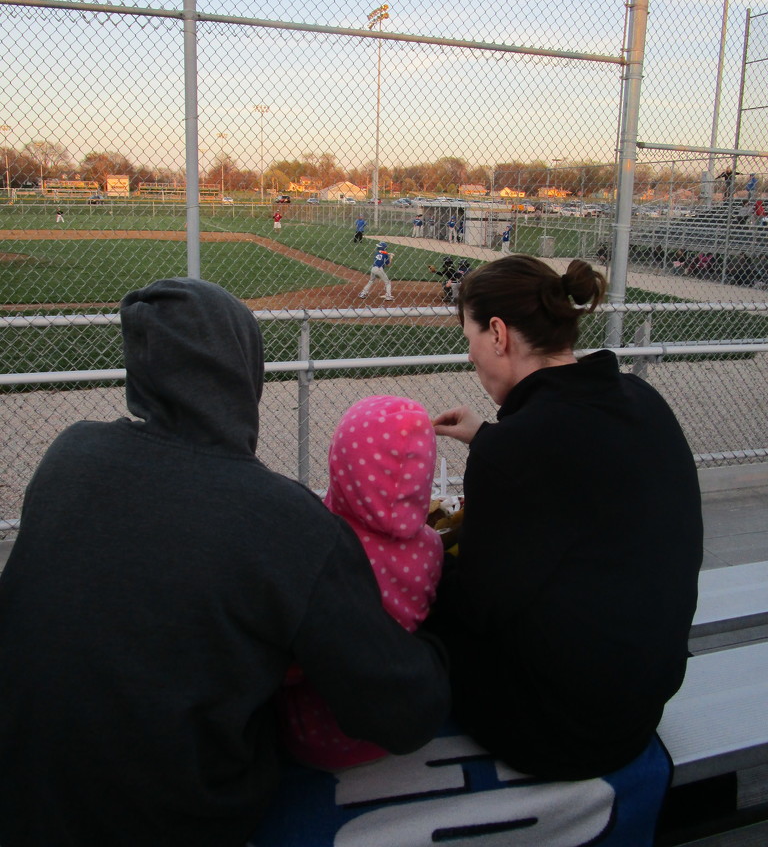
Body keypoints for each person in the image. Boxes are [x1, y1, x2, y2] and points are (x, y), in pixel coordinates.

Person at [0, 278, 449, 847]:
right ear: (245, 372)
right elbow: (403, 714)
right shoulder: (283, 518)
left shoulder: (70, 454)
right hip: (173, 818)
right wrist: (435, 640)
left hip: (19, 793)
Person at [426, 255, 702, 781]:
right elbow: (576, 475)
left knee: (416, 605)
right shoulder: (641, 398)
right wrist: (490, 436)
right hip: (641, 702)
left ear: (500, 335)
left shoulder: (514, 454)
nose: (471, 354)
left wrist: (420, 550)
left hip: (565, 732)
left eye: (472, 337)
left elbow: (476, 607)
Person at [279, 395, 444, 770]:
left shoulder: (318, 541)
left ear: (343, 461)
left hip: (317, 735)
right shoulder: (431, 548)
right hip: (394, 716)